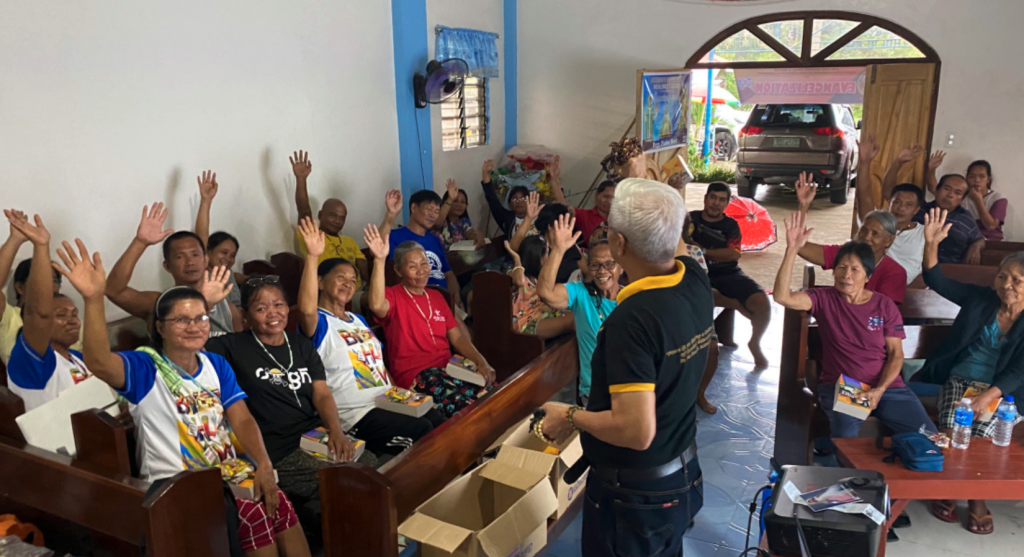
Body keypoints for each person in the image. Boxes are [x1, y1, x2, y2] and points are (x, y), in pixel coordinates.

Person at [55, 240, 310, 557]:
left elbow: (241, 417)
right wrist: (93, 299)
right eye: (182, 320)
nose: (195, 326)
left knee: (279, 503)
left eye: (201, 318)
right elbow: (99, 362)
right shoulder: (147, 367)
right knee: (255, 512)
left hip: (228, 473)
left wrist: (264, 464)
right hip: (176, 485)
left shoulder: (215, 364)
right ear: (160, 327)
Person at [540, 178, 711, 557]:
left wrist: (569, 415)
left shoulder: (631, 320)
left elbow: (636, 430)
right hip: (683, 470)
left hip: (636, 496)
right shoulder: (694, 278)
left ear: (619, 244)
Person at [773, 211, 936, 440]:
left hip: (887, 387)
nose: (846, 275)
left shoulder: (884, 305)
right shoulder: (823, 299)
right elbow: (781, 296)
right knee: (848, 438)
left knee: (929, 436)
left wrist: (879, 389)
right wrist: (791, 250)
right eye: (841, 268)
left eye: (855, 269)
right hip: (846, 386)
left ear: (868, 276)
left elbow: (896, 354)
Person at [204, 274, 355, 508]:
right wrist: (206, 304)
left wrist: (336, 430)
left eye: (278, 305)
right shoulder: (231, 346)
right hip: (276, 449)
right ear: (245, 316)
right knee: (346, 481)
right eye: (261, 308)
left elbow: (322, 393)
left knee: (367, 464)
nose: (273, 313)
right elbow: (191, 343)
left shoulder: (301, 345)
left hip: (313, 436)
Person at [917, 208, 1024, 535]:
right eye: (1003, 277)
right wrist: (931, 243)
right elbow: (936, 280)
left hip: (1004, 392)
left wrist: (987, 397)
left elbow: (1020, 370)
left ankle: (970, 496)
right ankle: (961, 491)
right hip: (960, 379)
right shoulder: (980, 298)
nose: (1007, 285)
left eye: (1017, 280)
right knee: (954, 433)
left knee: (983, 439)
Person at [296, 218, 443, 454]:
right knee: (421, 430)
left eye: (353, 280)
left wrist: (400, 394)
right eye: (341, 277)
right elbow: (305, 309)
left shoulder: (357, 320)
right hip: (356, 414)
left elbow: (378, 366)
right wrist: (313, 257)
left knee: (437, 418)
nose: (348, 283)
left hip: (386, 399)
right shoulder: (319, 322)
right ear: (320, 282)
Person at [364, 225, 495, 419]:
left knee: (491, 391)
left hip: (449, 368)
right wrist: (379, 260)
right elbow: (376, 304)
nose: (421, 271)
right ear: (399, 271)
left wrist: (480, 361)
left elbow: (458, 337)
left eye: (424, 264)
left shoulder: (436, 296)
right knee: (465, 406)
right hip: (417, 375)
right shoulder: (393, 296)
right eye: (412, 266)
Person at [105, 202, 241, 336]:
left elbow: (240, 346)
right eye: (180, 257)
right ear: (167, 266)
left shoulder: (228, 308)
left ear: (206, 260)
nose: (190, 262)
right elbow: (113, 290)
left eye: (195, 255)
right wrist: (140, 242)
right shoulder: (159, 304)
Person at [3, 212, 94, 411]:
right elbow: (39, 314)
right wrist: (39, 245)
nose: (72, 320)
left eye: (74, 314)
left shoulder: (75, 357)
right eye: (61, 315)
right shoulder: (30, 353)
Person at [536, 215, 620, 404]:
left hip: (628, 392)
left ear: (621, 267)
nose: (602, 271)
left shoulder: (631, 298)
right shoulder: (581, 294)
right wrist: (558, 250)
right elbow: (545, 293)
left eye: (609, 264)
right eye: (595, 265)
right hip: (595, 394)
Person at [291, 150, 401, 292]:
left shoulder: (349, 241)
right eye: (333, 215)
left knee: (385, 294)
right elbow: (304, 209)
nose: (337, 221)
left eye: (342, 218)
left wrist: (370, 286)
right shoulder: (311, 236)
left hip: (357, 289)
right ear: (320, 215)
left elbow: (362, 265)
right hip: (329, 291)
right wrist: (301, 179)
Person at [689, 182, 771, 369]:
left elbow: (733, 254)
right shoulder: (690, 219)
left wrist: (703, 251)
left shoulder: (731, 225)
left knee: (762, 302)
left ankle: (755, 343)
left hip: (728, 272)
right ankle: (735, 304)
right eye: (713, 198)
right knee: (706, 293)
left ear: (726, 204)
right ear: (705, 198)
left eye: (721, 200)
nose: (716, 203)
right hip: (697, 273)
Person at [796, 172, 907, 304]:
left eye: (875, 234)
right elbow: (799, 246)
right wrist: (804, 205)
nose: (867, 237)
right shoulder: (845, 254)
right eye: (863, 230)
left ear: (889, 240)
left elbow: (884, 311)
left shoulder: (895, 272)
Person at [0, 210, 75, 365]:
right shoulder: (11, 319)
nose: (48, 286)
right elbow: (40, 315)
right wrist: (15, 239)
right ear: (19, 287)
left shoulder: (71, 318)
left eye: (54, 280)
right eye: (38, 281)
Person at [856, 135, 926, 283]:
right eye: (897, 202)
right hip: (870, 285)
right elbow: (863, 194)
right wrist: (865, 162)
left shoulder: (924, 233)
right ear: (889, 202)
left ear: (916, 209)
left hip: (907, 289)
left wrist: (909, 292)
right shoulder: (875, 222)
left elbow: (927, 271)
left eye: (908, 205)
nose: (901, 208)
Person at [384, 190, 463, 309]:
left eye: (437, 211)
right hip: (418, 302)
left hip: (444, 301)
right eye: (429, 209)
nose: (433, 215)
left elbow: (448, 274)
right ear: (414, 208)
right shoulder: (395, 236)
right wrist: (391, 214)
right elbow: (377, 248)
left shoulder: (434, 239)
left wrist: (456, 299)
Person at [194, 170, 246, 307]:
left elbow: (237, 277)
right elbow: (201, 238)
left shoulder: (227, 273)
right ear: (208, 252)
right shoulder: (203, 274)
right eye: (224, 252)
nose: (228, 258)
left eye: (232, 255)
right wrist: (206, 201)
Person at [505, 236, 575, 339]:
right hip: (525, 324)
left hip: (542, 315)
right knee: (572, 321)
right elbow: (519, 281)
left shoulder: (539, 278)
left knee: (578, 315)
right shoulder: (515, 275)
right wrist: (517, 258)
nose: (549, 257)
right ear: (539, 258)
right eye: (547, 253)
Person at [509, 193, 587, 283]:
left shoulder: (570, 245)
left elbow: (587, 273)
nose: (568, 227)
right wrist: (528, 218)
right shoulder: (536, 245)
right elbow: (513, 248)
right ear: (550, 226)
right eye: (564, 223)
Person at [911, 173, 985, 265]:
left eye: (958, 192)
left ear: (961, 199)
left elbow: (979, 239)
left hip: (948, 269)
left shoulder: (965, 219)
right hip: (914, 265)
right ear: (937, 190)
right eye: (947, 188)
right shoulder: (919, 210)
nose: (950, 195)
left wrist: (976, 245)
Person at [480, 159, 531, 240]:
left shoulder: (538, 217)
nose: (519, 201)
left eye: (522, 198)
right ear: (510, 203)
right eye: (515, 199)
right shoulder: (506, 219)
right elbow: (492, 199)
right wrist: (485, 172)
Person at [433, 178, 487, 251]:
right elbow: (437, 222)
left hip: (458, 257)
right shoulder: (442, 220)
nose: (459, 205)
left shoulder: (463, 221)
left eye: (463, 202)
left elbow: (470, 233)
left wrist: (476, 237)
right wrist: (450, 199)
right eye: (455, 201)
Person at [571, 181, 615, 247]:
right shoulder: (584, 215)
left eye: (613, 198)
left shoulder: (620, 221)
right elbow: (563, 208)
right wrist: (555, 182)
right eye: (606, 196)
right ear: (596, 195)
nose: (609, 201)